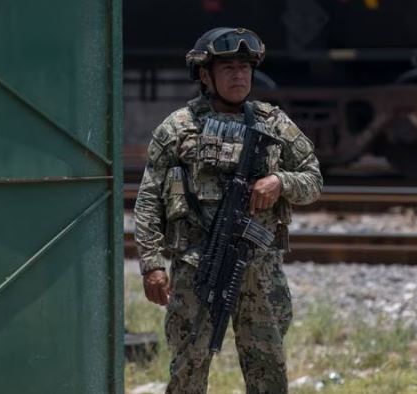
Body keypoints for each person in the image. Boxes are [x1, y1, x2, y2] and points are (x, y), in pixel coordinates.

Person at [134, 27, 323, 393]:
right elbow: (148, 199)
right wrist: (152, 266)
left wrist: (280, 182)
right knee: (189, 364)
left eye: (244, 68)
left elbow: (313, 180)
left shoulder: (274, 123)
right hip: (197, 268)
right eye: (228, 69)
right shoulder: (178, 128)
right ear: (205, 75)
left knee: (267, 367)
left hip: (260, 268)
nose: (239, 76)